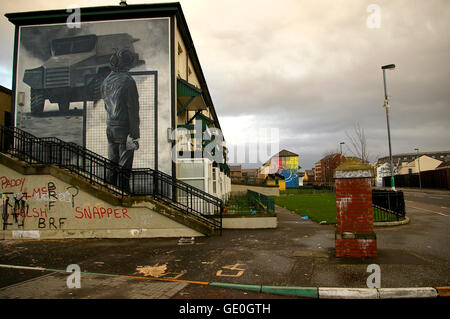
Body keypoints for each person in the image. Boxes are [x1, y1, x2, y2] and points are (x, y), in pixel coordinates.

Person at [101, 48, 140, 191]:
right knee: (125, 168)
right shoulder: (128, 82)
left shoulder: (106, 81)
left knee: (112, 164)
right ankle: (123, 197)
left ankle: (108, 193)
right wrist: (134, 135)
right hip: (125, 129)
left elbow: (106, 105)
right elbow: (133, 110)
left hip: (110, 127)